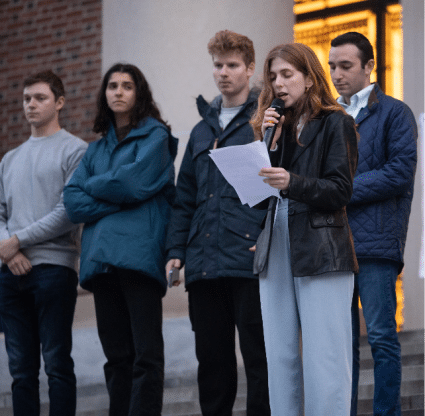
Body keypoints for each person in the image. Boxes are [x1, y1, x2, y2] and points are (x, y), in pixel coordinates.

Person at [165, 30, 270, 416]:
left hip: (250, 258)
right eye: (218, 65)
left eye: (232, 65)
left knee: (259, 359)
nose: (223, 73)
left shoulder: (265, 120)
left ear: (250, 68)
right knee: (212, 365)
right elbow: (184, 198)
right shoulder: (200, 131)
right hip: (204, 263)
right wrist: (176, 250)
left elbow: (279, 188)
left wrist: (269, 237)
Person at [251, 43, 359, 416]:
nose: (278, 84)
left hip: (321, 245)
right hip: (276, 240)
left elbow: (341, 190)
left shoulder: (336, 122)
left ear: (310, 78)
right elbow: (260, 197)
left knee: (325, 354)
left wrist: (291, 182)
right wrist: (267, 144)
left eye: (287, 74)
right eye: (273, 77)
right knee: (279, 353)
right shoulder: (273, 129)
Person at [63, 63, 177, 416]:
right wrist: (119, 195)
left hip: (139, 256)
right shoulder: (95, 150)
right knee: (116, 358)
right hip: (100, 262)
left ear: (139, 93)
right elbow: (72, 201)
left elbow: (132, 183)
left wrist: (95, 186)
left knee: (146, 355)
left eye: (127, 85)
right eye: (112, 86)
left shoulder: (156, 137)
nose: (118, 92)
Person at [328, 32, 417, 416]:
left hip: (376, 246)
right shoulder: (327, 117)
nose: (337, 74)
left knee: (381, 337)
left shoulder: (395, 113)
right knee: (340, 346)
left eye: (346, 66)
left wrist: (339, 190)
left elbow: (399, 173)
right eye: (332, 66)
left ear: (369, 66)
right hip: (331, 246)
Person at [0, 70, 88, 416]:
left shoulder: (75, 150)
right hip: (9, 272)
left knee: (56, 364)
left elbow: (68, 212)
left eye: (40, 98)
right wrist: (10, 251)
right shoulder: (9, 159)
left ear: (59, 102)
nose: (31, 105)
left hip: (54, 270)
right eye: (26, 99)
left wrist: (17, 240)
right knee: (20, 372)